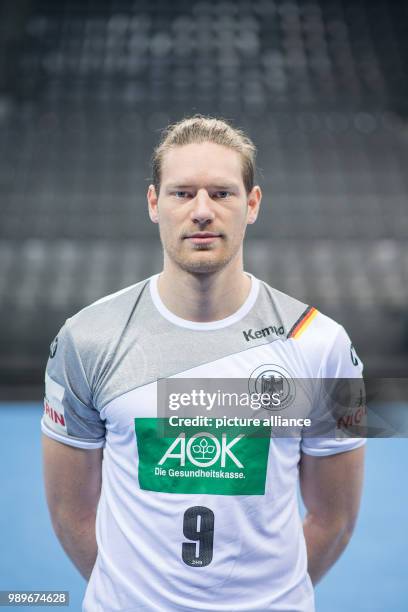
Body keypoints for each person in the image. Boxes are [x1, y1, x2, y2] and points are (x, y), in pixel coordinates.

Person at [42, 115, 365, 612]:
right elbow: (70, 513)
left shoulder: (321, 344)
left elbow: (335, 518)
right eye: (181, 193)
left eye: (222, 193)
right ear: (153, 203)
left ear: (252, 204)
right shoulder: (87, 339)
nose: (201, 212)